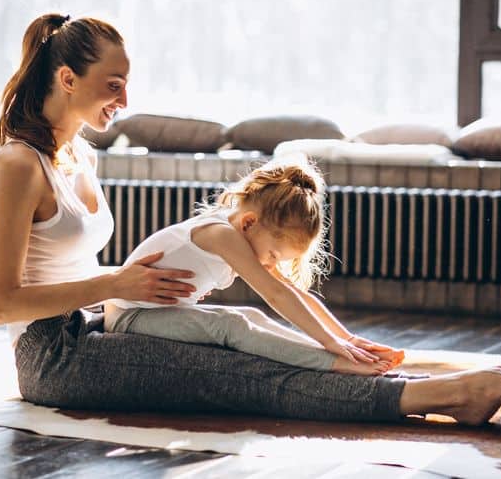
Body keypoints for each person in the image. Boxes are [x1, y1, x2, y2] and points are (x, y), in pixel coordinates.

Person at [0, 12, 501, 426]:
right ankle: (441, 395)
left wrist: (124, 293)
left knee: (243, 343)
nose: (125, 100)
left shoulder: (82, 154)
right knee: (243, 375)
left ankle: (417, 387)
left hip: (98, 323)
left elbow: (274, 290)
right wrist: (116, 283)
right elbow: (0, 304)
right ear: (66, 79)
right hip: (52, 355)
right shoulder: (18, 164)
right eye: (114, 85)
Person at [103, 155, 406, 376]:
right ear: (249, 223)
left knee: (249, 315)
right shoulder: (221, 233)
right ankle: (334, 364)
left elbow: (292, 291)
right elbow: (275, 295)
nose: (270, 262)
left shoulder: (240, 231)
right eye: (273, 254)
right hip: (130, 316)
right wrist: (331, 344)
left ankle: (335, 356)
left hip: (156, 310)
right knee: (232, 326)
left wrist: (346, 339)